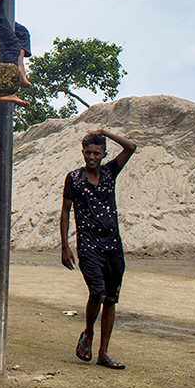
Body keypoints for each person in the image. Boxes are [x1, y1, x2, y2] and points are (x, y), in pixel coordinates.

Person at [60, 129, 137, 370]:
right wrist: (65, 246)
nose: (91, 157)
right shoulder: (73, 178)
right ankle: (88, 333)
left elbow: (131, 147)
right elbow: (65, 212)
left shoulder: (110, 172)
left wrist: (104, 132)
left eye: (96, 153)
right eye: (88, 153)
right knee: (98, 293)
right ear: (82, 153)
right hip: (88, 246)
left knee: (111, 299)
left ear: (104, 154)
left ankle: (103, 353)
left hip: (113, 246)